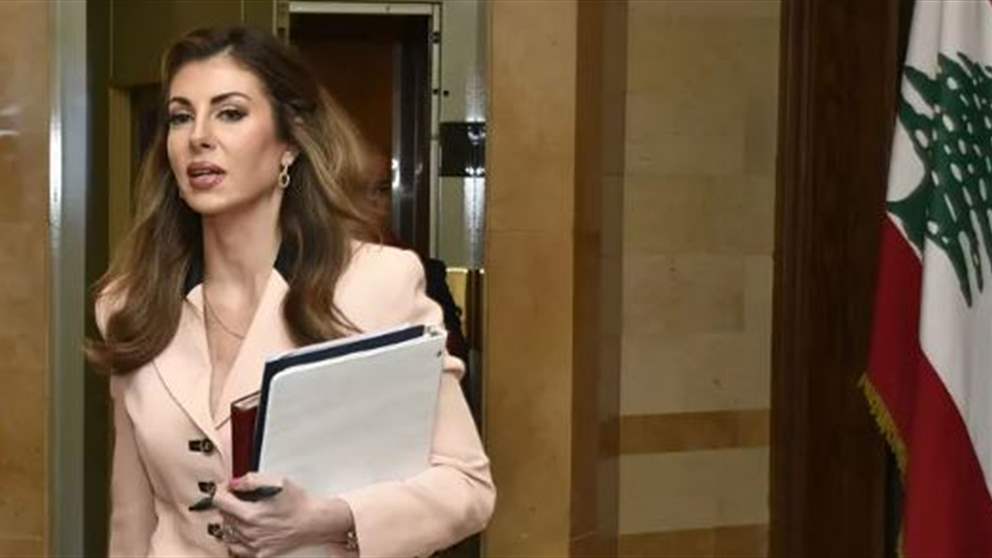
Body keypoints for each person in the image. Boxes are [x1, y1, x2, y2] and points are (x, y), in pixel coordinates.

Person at [86, 26, 495, 558]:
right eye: (181, 117)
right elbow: (132, 518)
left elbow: (467, 487)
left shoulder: (377, 284)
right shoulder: (130, 305)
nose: (198, 137)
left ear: (290, 142)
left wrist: (332, 519)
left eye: (230, 113)